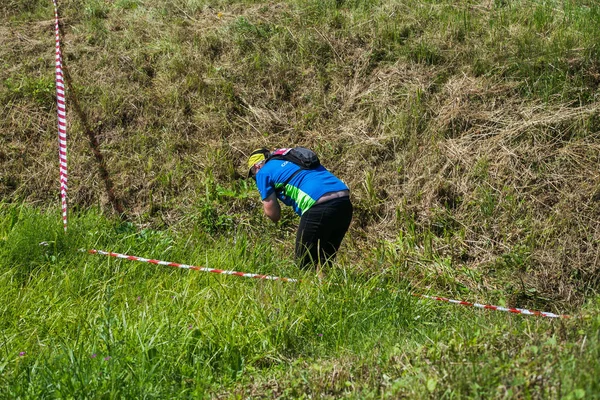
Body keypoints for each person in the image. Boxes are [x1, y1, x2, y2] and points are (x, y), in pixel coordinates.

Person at [247, 148, 353, 269]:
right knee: (325, 261)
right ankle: (326, 286)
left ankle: (310, 285)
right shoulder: (292, 159)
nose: (255, 178)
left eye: (252, 175)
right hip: (344, 202)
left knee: (304, 265)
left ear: (256, 166)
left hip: (318, 205)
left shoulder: (263, 172)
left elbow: (274, 214)